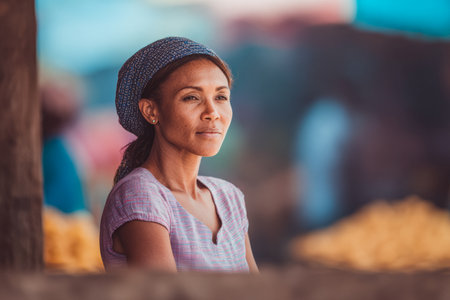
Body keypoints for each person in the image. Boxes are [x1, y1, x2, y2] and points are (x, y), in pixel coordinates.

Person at [100, 37, 258, 273]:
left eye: (221, 97)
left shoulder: (229, 198)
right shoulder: (141, 196)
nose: (212, 113)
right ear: (151, 110)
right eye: (191, 97)